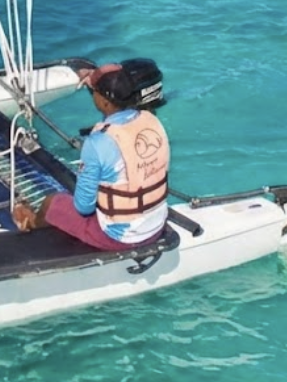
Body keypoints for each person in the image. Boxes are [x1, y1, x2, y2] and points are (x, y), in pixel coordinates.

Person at [12, 62, 169, 250]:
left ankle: (31, 225)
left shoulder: (97, 143)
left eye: (95, 91)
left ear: (104, 101)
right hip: (156, 224)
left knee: (53, 202)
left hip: (119, 237)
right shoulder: (150, 119)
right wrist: (96, 81)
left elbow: (83, 207)